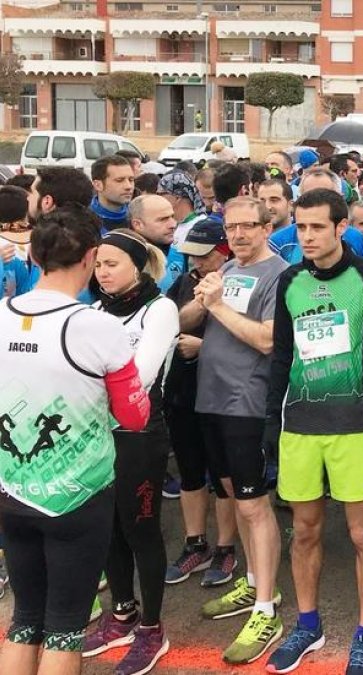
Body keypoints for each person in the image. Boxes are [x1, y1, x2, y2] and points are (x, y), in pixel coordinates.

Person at [260, 189, 363, 674]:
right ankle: (307, 624)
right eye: (300, 227)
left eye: (317, 227)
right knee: (304, 530)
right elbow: (283, 355)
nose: (307, 236)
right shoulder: (290, 281)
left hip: (355, 423)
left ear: (341, 227)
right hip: (300, 423)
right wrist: (270, 420)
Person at [0, 206, 150, 675]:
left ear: (38, 255)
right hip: (78, 495)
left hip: (12, 487)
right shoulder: (97, 326)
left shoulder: (2, 314)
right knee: (65, 626)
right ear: (89, 258)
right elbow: (134, 415)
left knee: (25, 617)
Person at [186, 196, 288, 664]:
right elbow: (197, 315)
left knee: (253, 505)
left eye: (249, 226)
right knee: (231, 495)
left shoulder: (279, 274)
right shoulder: (225, 272)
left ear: (267, 227)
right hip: (211, 400)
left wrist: (218, 306)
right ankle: (252, 584)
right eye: (232, 228)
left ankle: (267, 607)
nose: (240, 235)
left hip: (247, 405)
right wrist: (193, 310)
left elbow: (268, 340)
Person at [82, 229, 179, 675]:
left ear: (136, 267)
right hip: (100, 432)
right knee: (108, 528)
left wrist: (88, 385)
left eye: (112, 264)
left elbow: (139, 377)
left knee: (141, 528)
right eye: (98, 264)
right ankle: (122, 613)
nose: (102, 273)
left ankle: (153, 628)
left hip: (140, 433)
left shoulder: (159, 309)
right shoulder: (96, 309)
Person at [162, 220, 239, 588]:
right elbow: (174, 321)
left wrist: (204, 346)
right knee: (191, 472)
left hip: (226, 393)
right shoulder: (189, 282)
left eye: (204, 256)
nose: (196, 264)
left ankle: (226, 547)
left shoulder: (243, 279)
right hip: (183, 391)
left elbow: (259, 341)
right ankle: (196, 543)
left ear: (225, 251)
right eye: (190, 256)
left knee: (224, 476)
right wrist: (201, 301)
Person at [129, 194, 186, 293]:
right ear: (137, 224)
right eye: (162, 219)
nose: (173, 224)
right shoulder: (122, 256)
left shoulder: (180, 252)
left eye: (172, 217)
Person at [91, 156, 136, 233]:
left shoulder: (139, 215)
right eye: (119, 180)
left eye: (131, 180)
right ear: (98, 185)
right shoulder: (84, 222)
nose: (128, 186)